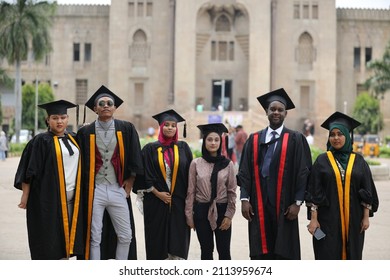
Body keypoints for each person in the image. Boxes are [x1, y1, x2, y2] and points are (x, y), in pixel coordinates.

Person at [236, 88, 312, 260]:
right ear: (266, 112)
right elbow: (245, 171)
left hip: (285, 205)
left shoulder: (295, 139)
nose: (276, 112)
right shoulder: (254, 139)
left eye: (280, 110)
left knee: (284, 250)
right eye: (273, 109)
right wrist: (244, 199)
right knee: (261, 250)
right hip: (258, 203)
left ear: (285, 113)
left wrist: (297, 203)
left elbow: (303, 172)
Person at [76, 85, 144, 260]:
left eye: (109, 103)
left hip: (116, 188)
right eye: (101, 103)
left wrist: (130, 181)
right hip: (95, 189)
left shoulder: (126, 129)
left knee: (125, 235)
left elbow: (135, 156)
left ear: (114, 108)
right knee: (94, 236)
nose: (106, 105)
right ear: (95, 108)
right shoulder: (85, 132)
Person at [13, 100, 84, 259]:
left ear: (67, 119)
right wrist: (25, 196)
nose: (59, 121)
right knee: (50, 239)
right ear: (48, 120)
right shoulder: (40, 141)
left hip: (74, 199)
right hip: (49, 199)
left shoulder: (74, 138)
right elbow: (29, 171)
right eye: (55, 118)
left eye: (63, 117)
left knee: (69, 237)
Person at [305, 111, 379, 260]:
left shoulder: (359, 161)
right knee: (326, 253)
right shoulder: (322, 161)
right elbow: (314, 191)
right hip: (326, 221)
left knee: (353, 254)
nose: (336, 138)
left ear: (347, 136)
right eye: (332, 134)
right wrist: (314, 219)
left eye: (340, 134)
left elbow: (367, 190)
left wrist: (366, 217)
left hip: (355, 221)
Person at [133, 109, 193, 260]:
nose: (170, 128)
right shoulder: (149, 149)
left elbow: (191, 175)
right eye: (167, 125)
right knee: (157, 241)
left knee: (178, 242)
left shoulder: (183, 148)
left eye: (173, 125)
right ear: (161, 127)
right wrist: (157, 193)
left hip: (179, 202)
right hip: (156, 203)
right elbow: (142, 175)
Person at [185, 123, 237, 260]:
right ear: (204, 141)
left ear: (221, 142)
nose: (213, 143)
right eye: (209, 139)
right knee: (206, 251)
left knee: (224, 251)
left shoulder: (228, 164)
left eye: (216, 140)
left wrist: (229, 215)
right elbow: (190, 191)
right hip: (201, 211)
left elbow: (232, 192)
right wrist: (189, 215)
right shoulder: (196, 163)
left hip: (222, 210)